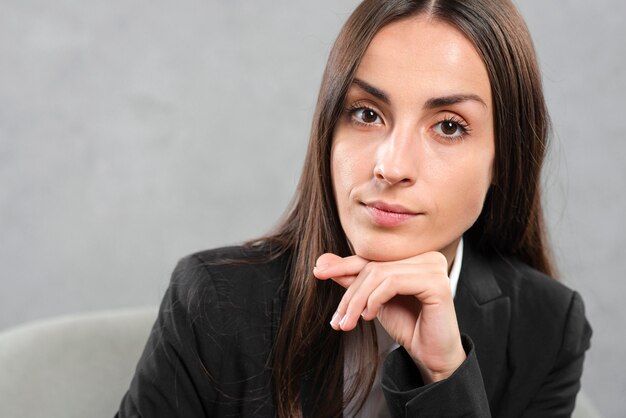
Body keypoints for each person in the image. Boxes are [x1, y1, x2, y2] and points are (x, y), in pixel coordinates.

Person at [116, 0, 592, 416]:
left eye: (448, 126)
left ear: (502, 161)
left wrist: (447, 376)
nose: (391, 165)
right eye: (367, 114)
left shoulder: (546, 329)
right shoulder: (213, 300)